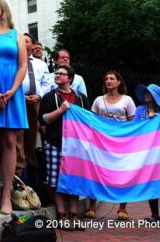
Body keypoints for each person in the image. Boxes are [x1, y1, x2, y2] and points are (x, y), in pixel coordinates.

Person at [0, 0, 28, 215]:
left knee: (10, 139)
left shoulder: (16, 35)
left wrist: (12, 90)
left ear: (3, 10)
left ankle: (7, 194)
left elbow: (22, 65)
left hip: (12, 90)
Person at [39, 64, 89, 229]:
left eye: (61, 73)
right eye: (56, 73)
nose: (57, 75)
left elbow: (88, 121)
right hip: (55, 143)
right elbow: (44, 119)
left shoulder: (81, 98)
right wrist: (60, 110)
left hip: (76, 147)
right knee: (56, 181)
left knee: (73, 181)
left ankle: (74, 215)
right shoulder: (49, 97)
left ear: (70, 78)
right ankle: (61, 215)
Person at [88, 70, 136, 220]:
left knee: (123, 173)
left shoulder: (127, 100)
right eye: (106, 79)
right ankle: (91, 207)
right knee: (96, 171)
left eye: (112, 78)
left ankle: (122, 208)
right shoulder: (98, 100)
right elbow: (92, 120)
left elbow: (132, 123)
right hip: (101, 141)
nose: (108, 81)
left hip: (122, 143)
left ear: (118, 82)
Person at [133, 84, 160, 223]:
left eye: (149, 93)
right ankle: (154, 215)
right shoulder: (140, 111)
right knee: (150, 182)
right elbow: (135, 129)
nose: (146, 94)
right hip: (146, 154)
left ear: (155, 96)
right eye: (145, 92)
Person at [17, 32, 51, 180]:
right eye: (21, 41)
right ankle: (19, 168)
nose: (23, 43)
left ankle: (31, 168)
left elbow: (47, 83)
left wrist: (39, 95)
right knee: (18, 134)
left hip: (35, 102)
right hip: (18, 100)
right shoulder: (15, 62)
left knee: (31, 136)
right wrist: (20, 96)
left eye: (26, 41)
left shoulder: (41, 64)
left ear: (32, 45)